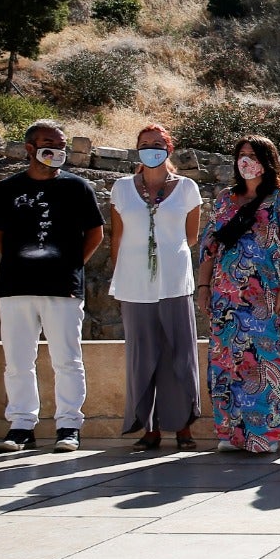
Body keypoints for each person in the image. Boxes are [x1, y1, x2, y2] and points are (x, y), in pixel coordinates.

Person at [0, 120, 105, 453]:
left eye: (61, 144)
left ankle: (69, 425)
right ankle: (22, 425)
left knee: (67, 358)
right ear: (29, 148)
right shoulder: (6, 189)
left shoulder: (78, 188)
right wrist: (23, 260)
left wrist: (70, 264)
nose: (57, 149)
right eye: (49, 143)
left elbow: (96, 233)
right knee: (18, 360)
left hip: (63, 287)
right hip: (15, 286)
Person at [198, 135, 280, 453]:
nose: (246, 161)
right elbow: (209, 248)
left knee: (267, 362)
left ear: (268, 161)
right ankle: (232, 433)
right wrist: (203, 288)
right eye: (241, 155)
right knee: (227, 364)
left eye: (253, 155)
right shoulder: (225, 199)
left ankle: (268, 433)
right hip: (226, 300)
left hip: (267, 297)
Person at [109, 123, 203, 451]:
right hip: (134, 285)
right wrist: (121, 272)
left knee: (179, 354)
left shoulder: (187, 188)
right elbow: (117, 236)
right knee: (142, 356)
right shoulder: (121, 188)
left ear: (169, 148)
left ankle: (182, 427)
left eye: (157, 143)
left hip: (175, 282)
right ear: (137, 149)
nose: (151, 148)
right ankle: (148, 428)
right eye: (145, 143)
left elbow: (191, 237)